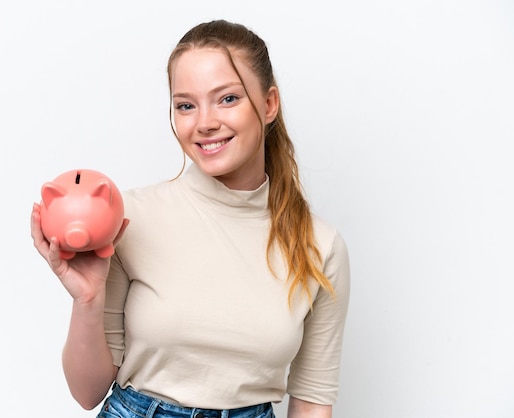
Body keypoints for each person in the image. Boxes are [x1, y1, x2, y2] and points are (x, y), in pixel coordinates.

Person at [31, 19, 350, 418]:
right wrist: (88, 300)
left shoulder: (320, 246)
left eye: (227, 99)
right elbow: (87, 393)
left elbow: (311, 400)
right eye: (186, 105)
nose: (204, 122)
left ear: (269, 104)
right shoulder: (128, 220)